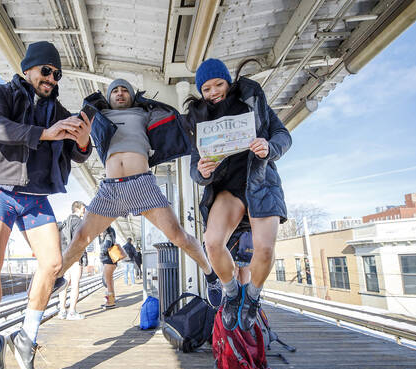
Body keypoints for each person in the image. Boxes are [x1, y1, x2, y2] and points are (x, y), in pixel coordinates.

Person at [0, 41, 93, 369]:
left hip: (35, 195)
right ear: (28, 68)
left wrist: (84, 141)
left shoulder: (59, 111)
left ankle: (26, 336)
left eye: (56, 74)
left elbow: (78, 154)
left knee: (54, 264)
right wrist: (45, 133)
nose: (51, 78)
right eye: (46, 71)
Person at [57, 79, 217, 291]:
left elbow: (181, 123)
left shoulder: (145, 114)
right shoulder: (96, 118)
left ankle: (210, 274)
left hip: (142, 185)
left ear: (132, 96)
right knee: (80, 237)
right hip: (110, 190)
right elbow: (76, 144)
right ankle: (54, 279)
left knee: (178, 236)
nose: (120, 93)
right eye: (115, 90)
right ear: (108, 97)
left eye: (125, 90)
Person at [186, 58, 291, 331]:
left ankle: (253, 296)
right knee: (212, 242)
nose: (213, 93)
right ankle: (232, 293)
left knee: (265, 249)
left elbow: (283, 135)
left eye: (218, 84)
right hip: (227, 189)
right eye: (206, 88)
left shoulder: (253, 100)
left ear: (228, 81)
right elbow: (194, 171)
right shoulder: (199, 119)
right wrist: (202, 171)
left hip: (260, 183)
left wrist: (269, 146)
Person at [57, 201, 87, 320]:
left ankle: (62, 311)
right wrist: (83, 257)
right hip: (75, 257)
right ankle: (72, 312)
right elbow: (80, 241)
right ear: (78, 208)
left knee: (64, 284)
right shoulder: (79, 222)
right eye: (83, 208)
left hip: (64, 257)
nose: (85, 210)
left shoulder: (65, 222)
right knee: (75, 284)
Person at [99, 226, 118, 308]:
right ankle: (111, 300)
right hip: (110, 260)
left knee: (108, 282)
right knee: (109, 281)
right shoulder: (110, 230)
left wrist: (102, 253)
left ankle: (111, 302)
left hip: (108, 259)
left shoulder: (107, 232)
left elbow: (108, 243)